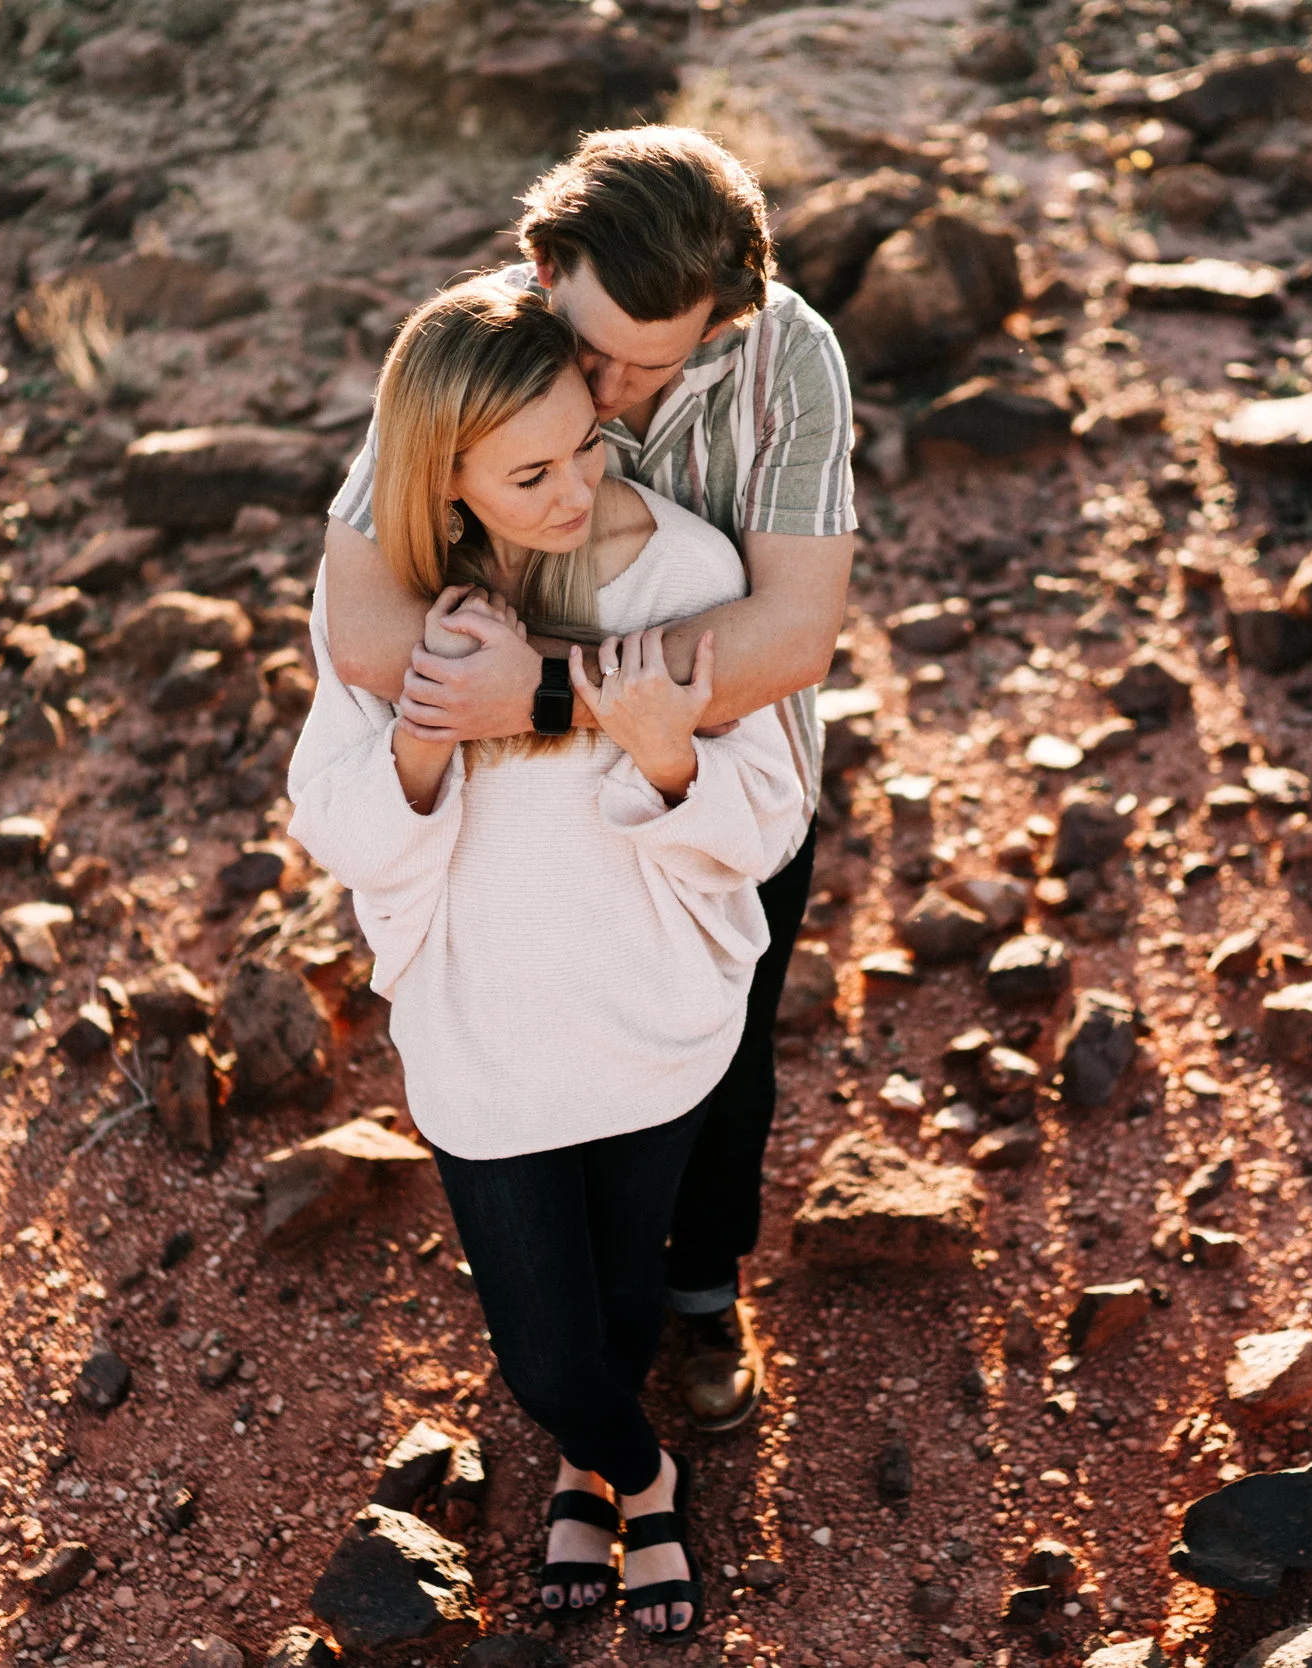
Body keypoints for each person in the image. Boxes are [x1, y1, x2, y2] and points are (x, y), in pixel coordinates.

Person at [287, 280, 809, 1636]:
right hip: (486, 1040)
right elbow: (332, 817)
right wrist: (423, 731)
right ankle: (646, 1468)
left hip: (651, 1026)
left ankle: (593, 1475)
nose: (582, 487)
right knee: (543, 1347)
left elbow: (767, 820)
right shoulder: (393, 603)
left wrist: (663, 748)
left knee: (625, 1305)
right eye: (532, 471)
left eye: (589, 443)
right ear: (448, 483)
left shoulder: (691, 570)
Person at [319, 125, 857, 1433]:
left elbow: (789, 636)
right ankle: (577, 1316)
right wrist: (519, 705)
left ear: (723, 319)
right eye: (593, 346)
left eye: (645, 365)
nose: (604, 392)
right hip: (532, 813)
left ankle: (701, 1288)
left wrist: (544, 698)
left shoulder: (793, 364)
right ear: (545, 263)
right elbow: (367, 622)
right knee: (542, 1039)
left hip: (718, 775)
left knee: (728, 1049)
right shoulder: (498, 336)